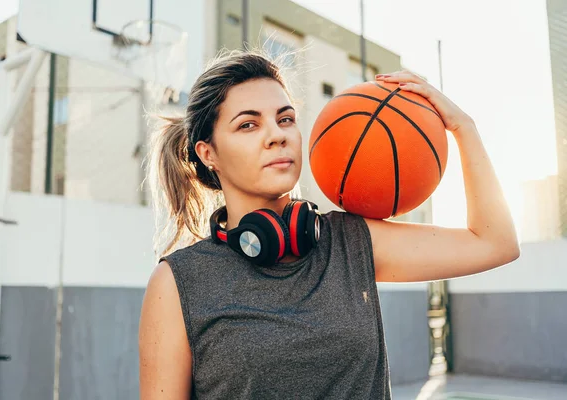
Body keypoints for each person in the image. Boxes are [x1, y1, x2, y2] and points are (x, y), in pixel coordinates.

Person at [138, 49, 520, 399]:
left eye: (285, 119)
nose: (277, 135)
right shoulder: (178, 284)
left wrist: (463, 127)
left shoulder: (351, 241)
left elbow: (494, 242)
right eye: (248, 126)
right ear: (208, 154)